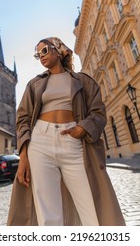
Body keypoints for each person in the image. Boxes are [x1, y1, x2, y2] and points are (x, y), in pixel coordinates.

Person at [7, 37, 125, 226]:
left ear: (58, 50)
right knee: (48, 214)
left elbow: (98, 111)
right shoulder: (34, 84)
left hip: (74, 141)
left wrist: (83, 128)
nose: (41, 57)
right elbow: (22, 119)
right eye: (38, 54)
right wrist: (23, 157)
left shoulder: (83, 81)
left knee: (91, 206)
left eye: (44, 50)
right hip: (40, 142)